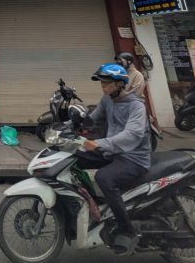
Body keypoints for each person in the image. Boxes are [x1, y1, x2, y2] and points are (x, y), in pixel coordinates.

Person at [78, 63, 151, 255]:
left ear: (120, 84)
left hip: (134, 157)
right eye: (102, 83)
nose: (103, 86)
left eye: (107, 83)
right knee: (75, 159)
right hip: (113, 151)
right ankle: (92, 205)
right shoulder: (107, 100)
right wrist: (70, 124)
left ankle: (127, 230)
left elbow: (132, 135)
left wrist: (100, 143)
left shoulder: (137, 106)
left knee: (105, 178)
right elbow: (94, 118)